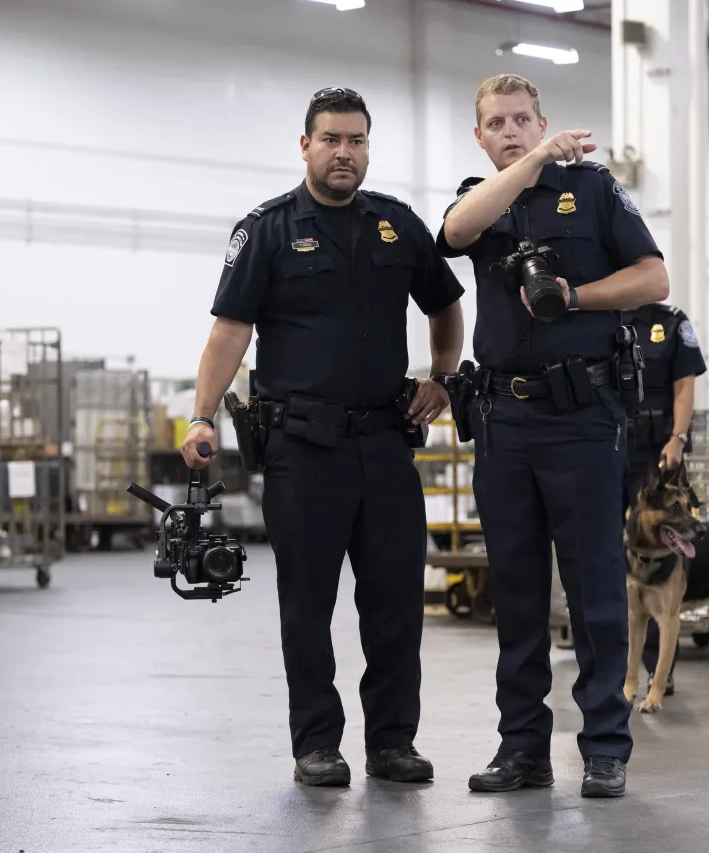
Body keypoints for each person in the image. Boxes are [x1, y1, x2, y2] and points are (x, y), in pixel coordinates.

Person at [181, 87, 465, 788]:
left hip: (386, 444)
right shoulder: (268, 230)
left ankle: (393, 741)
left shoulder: (397, 226)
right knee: (307, 604)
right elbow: (229, 331)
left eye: (358, 140)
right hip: (302, 451)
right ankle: (317, 742)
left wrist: (444, 375)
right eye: (332, 139)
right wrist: (200, 414)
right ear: (304, 145)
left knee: (396, 600)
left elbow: (446, 303)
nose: (346, 152)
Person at [436, 73, 669, 799]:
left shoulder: (593, 190)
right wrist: (532, 165)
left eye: (523, 121)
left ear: (543, 121)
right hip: (503, 421)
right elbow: (453, 234)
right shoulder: (484, 195)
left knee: (596, 588)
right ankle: (522, 749)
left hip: (581, 416)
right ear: (480, 136)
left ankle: (604, 746)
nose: (510, 131)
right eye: (497, 123)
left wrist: (578, 295)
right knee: (517, 590)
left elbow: (654, 277)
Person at [620, 301, 707, 697]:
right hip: (606, 448)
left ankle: (659, 669)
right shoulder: (599, 314)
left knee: (661, 559)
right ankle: (614, 667)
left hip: (657, 453)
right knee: (608, 556)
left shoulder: (670, 322)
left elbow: (684, 384)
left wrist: (678, 437)